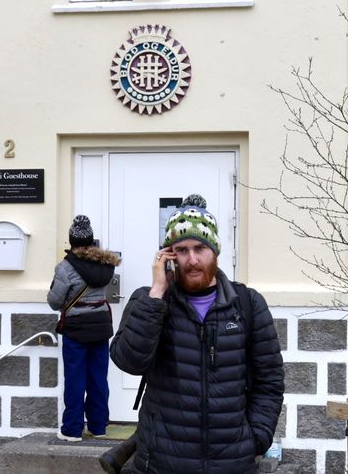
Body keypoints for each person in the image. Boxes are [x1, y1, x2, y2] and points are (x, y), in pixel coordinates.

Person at [109, 194, 284, 474]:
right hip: (162, 461)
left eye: (200, 248)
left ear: (214, 250)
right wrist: (156, 295)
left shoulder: (247, 304)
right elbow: (129, 362)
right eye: (181, 250)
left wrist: (256, 438)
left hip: (231, 462)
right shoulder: (149, 301)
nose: (192, 259)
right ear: (168, 256)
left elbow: (270, 380)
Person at [47, 215, 121, 442]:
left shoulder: (65, 268)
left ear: (71, 241)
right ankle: (98, 426)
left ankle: (72, 429)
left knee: (75, 380)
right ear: (91, 240)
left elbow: (54, 301)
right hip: (100, 328)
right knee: (99, 379)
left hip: (76, 330)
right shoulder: (105, 264)